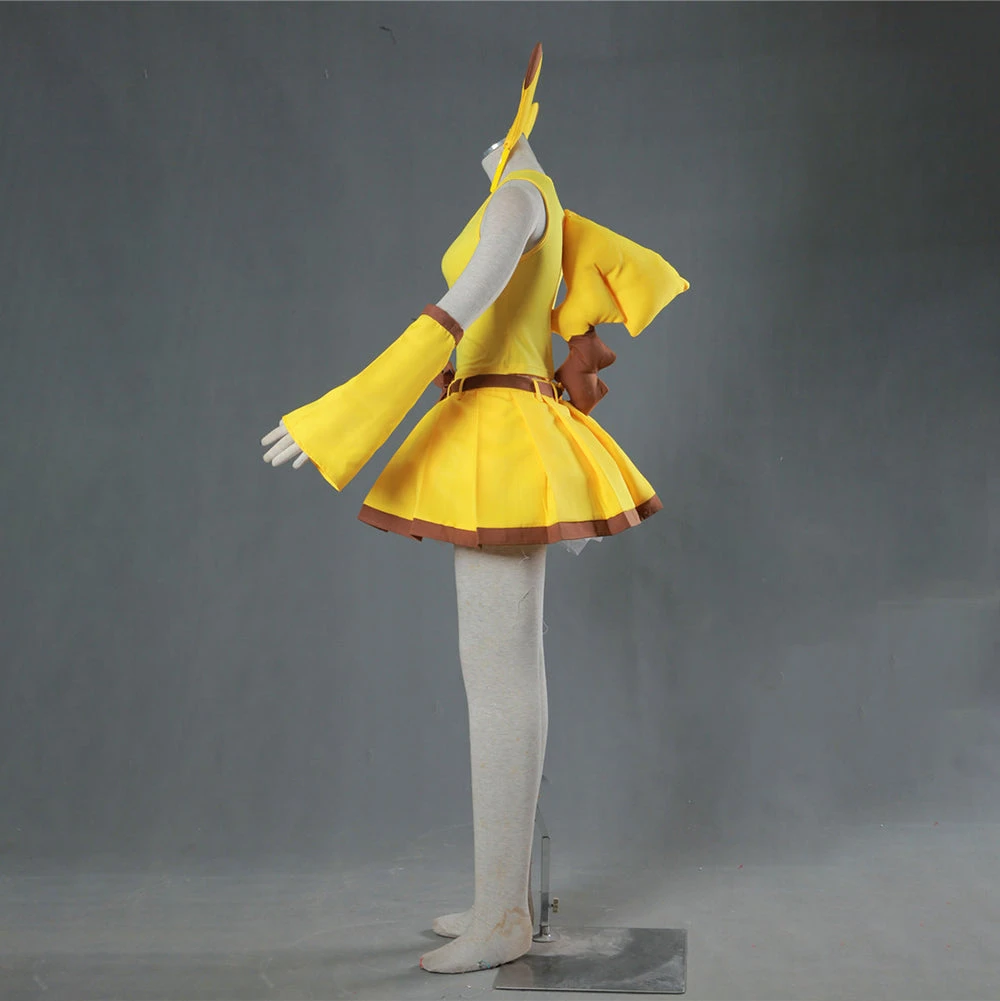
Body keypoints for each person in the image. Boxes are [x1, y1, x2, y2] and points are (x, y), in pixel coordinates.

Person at [260, 43, 688, 974]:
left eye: (499, 136)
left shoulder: (518, 198)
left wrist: (339, 418)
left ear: (518, 129)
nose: (485, 146)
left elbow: (457, 310)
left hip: (502, 435)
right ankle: (499, 898)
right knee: (497, 665)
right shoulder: (536, 197)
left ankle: (504, 914)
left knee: (497, 671)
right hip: (495, 422)